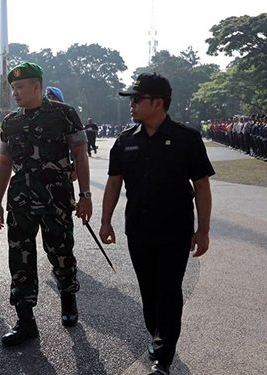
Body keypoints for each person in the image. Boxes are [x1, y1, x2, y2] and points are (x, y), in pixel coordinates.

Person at [99, 73, 214, 375]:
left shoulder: (186, 139)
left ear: (158, 102)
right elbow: (114, 183)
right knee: (149, 290)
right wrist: (105, 221)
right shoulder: (125, 141)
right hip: (139, 228)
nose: (132, 105)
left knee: (169, 290)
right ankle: (158, 335)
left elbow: (201, 186)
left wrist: (203, 230)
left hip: (175, 230)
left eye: (138, 99)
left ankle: (162, 356)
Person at [0, 62, 91, 346]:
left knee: (61, 251)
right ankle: (25, 321)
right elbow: (4, 161)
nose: (15, 92)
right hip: (20, 200)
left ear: (37, 86)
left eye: (20, 87)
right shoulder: (10, 122)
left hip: (56, 199)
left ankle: (68, 297)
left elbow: (80, 153)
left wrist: (85, 195)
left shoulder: (64, 114)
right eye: (13, 87)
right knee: (19, 258)